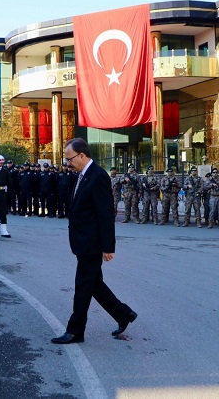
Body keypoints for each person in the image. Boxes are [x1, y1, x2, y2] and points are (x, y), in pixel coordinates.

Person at [52, 138, 137, 344]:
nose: (67, 163)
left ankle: (75, 331)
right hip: (82, 241)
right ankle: (123, 314)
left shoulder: (98, 176)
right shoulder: (82, 175)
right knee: (94, 284)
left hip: (91, 243)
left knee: (83, 286)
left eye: (69, 159)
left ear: (82, 155)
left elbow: (106, 214)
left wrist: (108, 247)